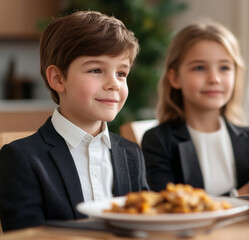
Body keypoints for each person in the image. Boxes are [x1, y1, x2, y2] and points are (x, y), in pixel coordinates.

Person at [0, 11, 149, 232]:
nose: (114, 84)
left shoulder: (131, 153)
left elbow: (146, 224)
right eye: (96, 70)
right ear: (58, 79)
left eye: (121, 73)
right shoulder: (21, 158)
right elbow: (28, 236)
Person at [141, 21, 249, 196]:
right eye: (199, 68)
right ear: (175, 78)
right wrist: (245, 191)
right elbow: (168, 207)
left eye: (224, 67)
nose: (214, 78)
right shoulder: (158, 141)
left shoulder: (248, 137)